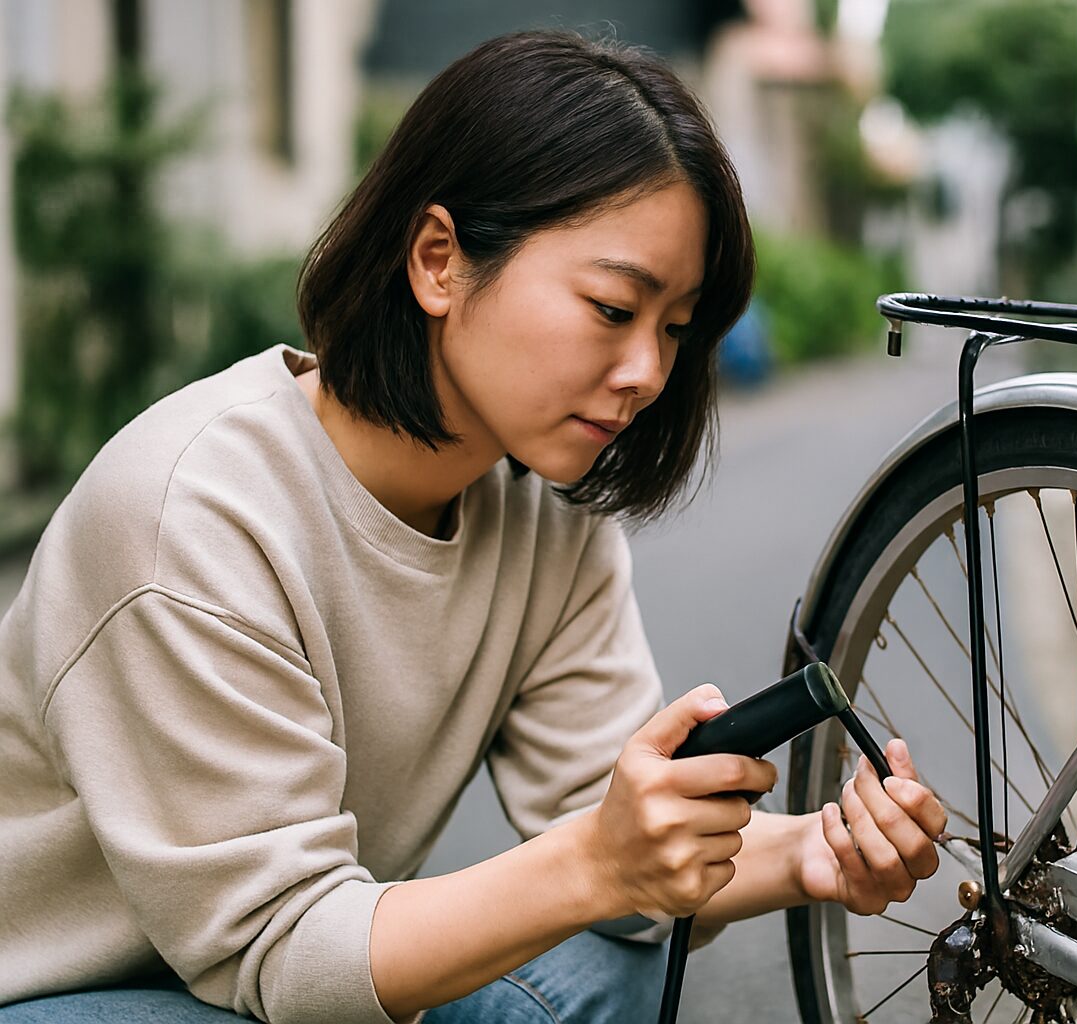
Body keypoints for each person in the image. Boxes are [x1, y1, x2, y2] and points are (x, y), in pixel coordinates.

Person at [0, 30, 946, 1024]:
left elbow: (610, 826)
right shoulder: (192, 519)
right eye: (612, 307)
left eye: (672, 327)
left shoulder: (547, 521)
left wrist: (814, 848)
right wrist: (599, 861)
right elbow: (285, 954)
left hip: (284, 975)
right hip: (73, 994)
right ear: (439, 261)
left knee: (609, 963)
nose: (649, 373)